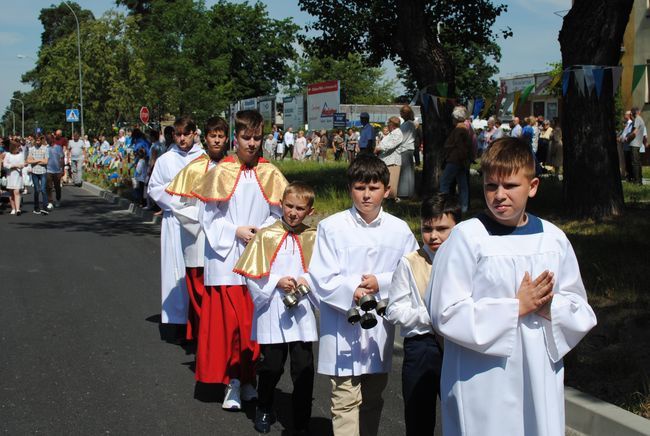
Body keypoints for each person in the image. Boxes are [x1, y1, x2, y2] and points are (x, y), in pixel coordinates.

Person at [427, 137, 597, 436]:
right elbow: (445, 312)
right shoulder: (467, 238)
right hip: (481, 376)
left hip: (538, 372)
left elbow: (580, 308)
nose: (499, 195)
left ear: (532, 187)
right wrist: (516, 307)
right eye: (491, 186)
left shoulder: (553, 239)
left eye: (510, 186)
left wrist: (549, 306)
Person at [308, 154, 418, 436]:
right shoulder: (331, 227)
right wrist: (352, 290)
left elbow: (412, 273)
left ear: (387, 190)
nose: (367, 195)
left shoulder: (399, 230)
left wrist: (379, 282)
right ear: (350, 189)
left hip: (379, 327)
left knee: (372, 397)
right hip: (342, 323)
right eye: (360, 187)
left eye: (374, 188)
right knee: (344, 399)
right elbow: (321, 275)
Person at [192, 109, 288, 410]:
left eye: (257, 138)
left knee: (252, 327)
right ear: (236, 138)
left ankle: (249, 380)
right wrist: (235, 230)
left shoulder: (270, 172)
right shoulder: (222, 171)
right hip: (226, 259)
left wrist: (263, 233)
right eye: (247, 138)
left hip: (257, 259)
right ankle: (231, 382)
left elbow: (279, 213)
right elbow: (207, 216)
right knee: (230, 327)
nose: (252, 144)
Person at [234, 182, 318, 434]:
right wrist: (276, 282)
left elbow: (322, 272)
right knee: (272, 366)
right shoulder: (266, 235)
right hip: (273, 310)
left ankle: (301, 420)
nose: (293, 212)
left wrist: (307, 281)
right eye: (289, 206)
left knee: (303, 368)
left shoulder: (314, 237)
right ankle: (264, 405)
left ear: (310, 211)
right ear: (281, 204)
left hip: (302, 310)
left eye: (300, 208)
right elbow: (252, 275)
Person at [385, 193, 461, 436]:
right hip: (422, 345)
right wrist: (431, 316)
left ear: (457, 227)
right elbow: (395, 309)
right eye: (427, 229)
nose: (433, 236)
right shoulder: (410, 262)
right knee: (419, 415)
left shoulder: (466, 261)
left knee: (460, 413)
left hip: (458, 345)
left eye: (442, 228)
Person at [165, 117, 228, 342]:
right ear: (206, 138)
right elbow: (178, 203)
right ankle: (206, 341)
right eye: (213, 136)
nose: (217, 141)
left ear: (227, 138)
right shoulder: (194, 168)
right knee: (201, 292)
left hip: (228, 243)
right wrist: (204, 222)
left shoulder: (233, 166)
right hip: (200, 239)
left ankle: (224, 340)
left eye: (221, 136)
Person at [147, 116, 206, 341]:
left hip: (197, 221)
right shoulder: (165, 160)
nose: (182, 139)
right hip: (174, 220)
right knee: (176, 269)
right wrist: (179, 202)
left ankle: (198, 319)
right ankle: (178, 321)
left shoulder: (203, 158)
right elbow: (154, 188)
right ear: (173, 136)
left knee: (196, 270)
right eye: (178, 134)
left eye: (186, 134)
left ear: (194, 134)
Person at [440, 106, 472, 212]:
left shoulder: (459, 129)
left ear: (456, 118)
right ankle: (464, 208)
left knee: (444, 182)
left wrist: (462, 158)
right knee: (463, 184)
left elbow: (460, 146)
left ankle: (444, 206)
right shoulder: (463, 128)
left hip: (455, 159)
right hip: (460, 160)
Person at [374, 116, 403, 201]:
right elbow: (382, 144)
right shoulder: (391, 133)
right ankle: (387, 199)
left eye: (389, 124)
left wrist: (378, 148)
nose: (387, 125)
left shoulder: (398, 133)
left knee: (392, 183)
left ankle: (391, 200)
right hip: (386, 161)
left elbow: (390, 145)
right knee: (386, 181)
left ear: (392, 124)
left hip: (392, 162)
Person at [26, 135, 49, 215]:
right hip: (34, 172)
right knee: (36, 190)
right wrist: (40, 160)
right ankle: (36, 208)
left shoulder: (45, 148)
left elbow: (46, 162)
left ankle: (45, 207)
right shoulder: (31, 149)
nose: (37, 142)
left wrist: (35, 160)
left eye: (39, 140)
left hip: (43, 171)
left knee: (43, 189)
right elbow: (28, 161)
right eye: (36, 140)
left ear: (41, 140)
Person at [398, 105, 416, 198]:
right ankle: (409, 192)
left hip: (405, 148)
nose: (401, 114)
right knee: (408, 171)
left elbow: (401, 137)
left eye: (402, 112)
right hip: (408, 148)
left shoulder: (408, 124)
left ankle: (404, 193)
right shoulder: (410, 123)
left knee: (404, 171)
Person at [3, 141, 25, 215]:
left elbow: (22, 164)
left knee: (17, 191)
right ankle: (13, 208)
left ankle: (18, 209)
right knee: (11, 192)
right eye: (17, 147)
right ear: (13, 148)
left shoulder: (21, 155)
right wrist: (14, 166)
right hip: (10, 175)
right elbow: (5, 164)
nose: (19, 148)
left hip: (18, 175)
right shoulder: (8, 155)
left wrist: (19, 166)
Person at [627, 107, 646, 184]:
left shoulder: (637, 119)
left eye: (631, 113)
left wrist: (628, 138)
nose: (630, 114)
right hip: (637, 144)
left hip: (634, 144)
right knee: (637, 163)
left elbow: (634, 132)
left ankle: (636, 181)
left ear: (633, 113)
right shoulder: (639, 119)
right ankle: (639, 180)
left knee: (635, 163)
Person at [45, 135, 64, 209]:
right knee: (48, 187)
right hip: (48, 170)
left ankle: (58, 200)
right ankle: (50, 201)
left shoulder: (58, 148)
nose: (47, 141)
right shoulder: (46, 148)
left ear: (52, 139)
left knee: (57, 187)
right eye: (47, 140)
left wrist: (62, 170)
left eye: (48, 139)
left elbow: (62, 159)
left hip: (57, 170)